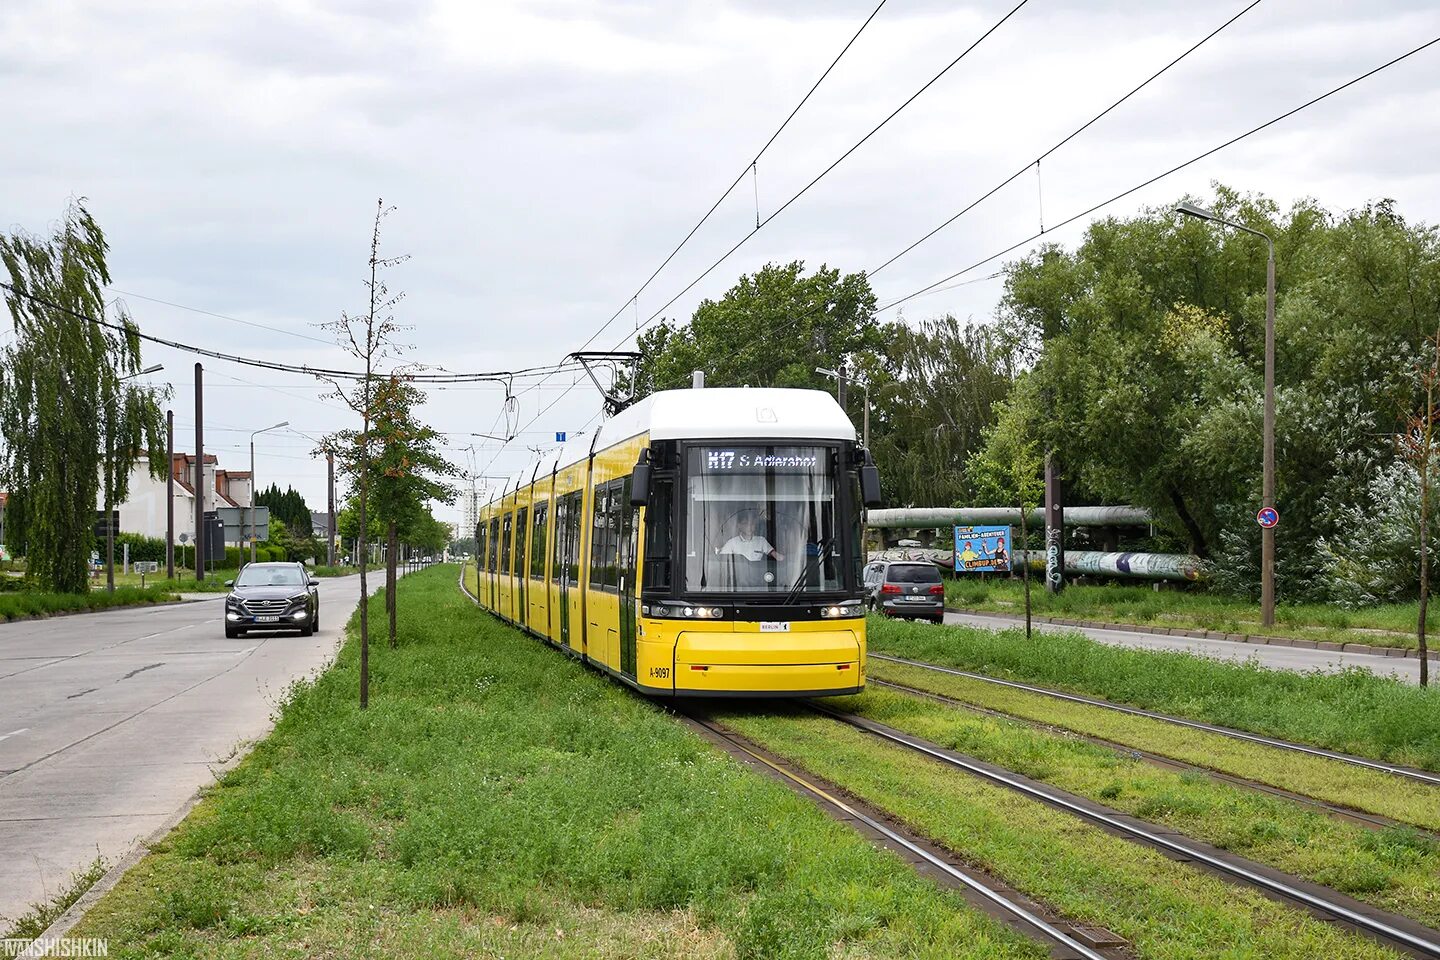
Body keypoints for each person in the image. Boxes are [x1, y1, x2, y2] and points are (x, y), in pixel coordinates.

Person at [719, 510, 784, 562]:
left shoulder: (761, 541)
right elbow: (722, 559)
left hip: (758, 574)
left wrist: (784, 559)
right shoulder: (732, 543)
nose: (749, 527)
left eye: (752, 523)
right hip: (739, 576)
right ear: (739, 525)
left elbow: (773, 553)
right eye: (745, 523)